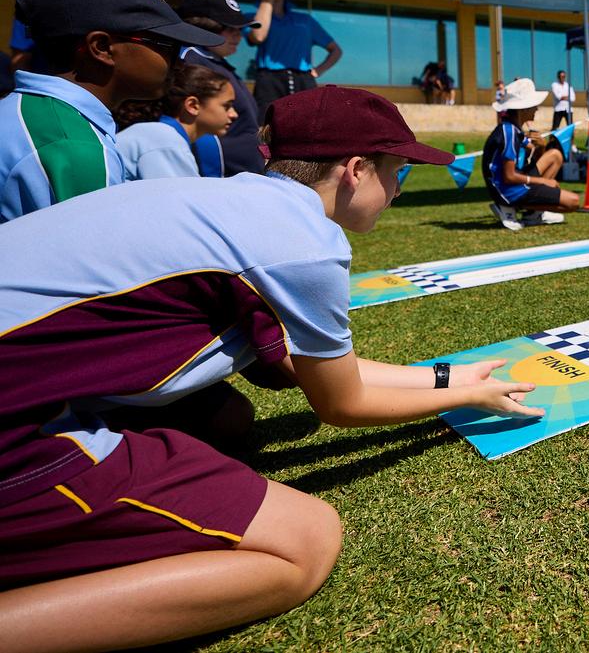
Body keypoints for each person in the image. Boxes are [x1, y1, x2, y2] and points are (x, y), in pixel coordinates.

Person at [0, 86, 544, 652]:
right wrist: (464, 397)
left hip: (30, 380)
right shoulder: (302, 243)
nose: (400, 189)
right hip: (17, 424)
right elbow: (343, 403)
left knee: (225, 419)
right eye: (396, 172)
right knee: (305, 542)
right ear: (356, 170)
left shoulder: (224, 199)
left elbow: (313, 367)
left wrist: (447, 376)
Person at [0, 0, 220, 223]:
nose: (181, 63)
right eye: (167, 44)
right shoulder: (72, 146)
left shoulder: (24, 111)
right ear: (102, 47)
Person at [177, 0, 266, 177]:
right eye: (230, 29)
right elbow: (193, 129)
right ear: (203, 26)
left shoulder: (218, 62)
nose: (238, 37)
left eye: (240, 30)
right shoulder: (189, 61)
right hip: (218, 179)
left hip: (243, 176)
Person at [483, 77, 581, 230]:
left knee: (555, 155)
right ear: (523, 109)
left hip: (515, 181)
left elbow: (533, 159)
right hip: (507, 189)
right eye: (534, 105)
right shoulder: (509, 132)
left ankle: (533, 213)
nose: (537, 109)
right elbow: (509, 176)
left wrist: (540, 147)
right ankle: (510, 206)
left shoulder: (514, 129)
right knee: (573, 202)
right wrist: (543, 182)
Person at [244, 0, 342, 116]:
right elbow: (258, 36)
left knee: (309, 123)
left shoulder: (305, 20)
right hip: (269, 81)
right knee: (267, 123)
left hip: (304, 79)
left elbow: (335, 50)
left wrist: (318, 71)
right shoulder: (252, 18)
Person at [117, 64, 239, 180]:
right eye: (227, 106)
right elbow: (178, 194)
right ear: (193, 106)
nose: (234, 114)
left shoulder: (162, 135)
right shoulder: (163, 139)